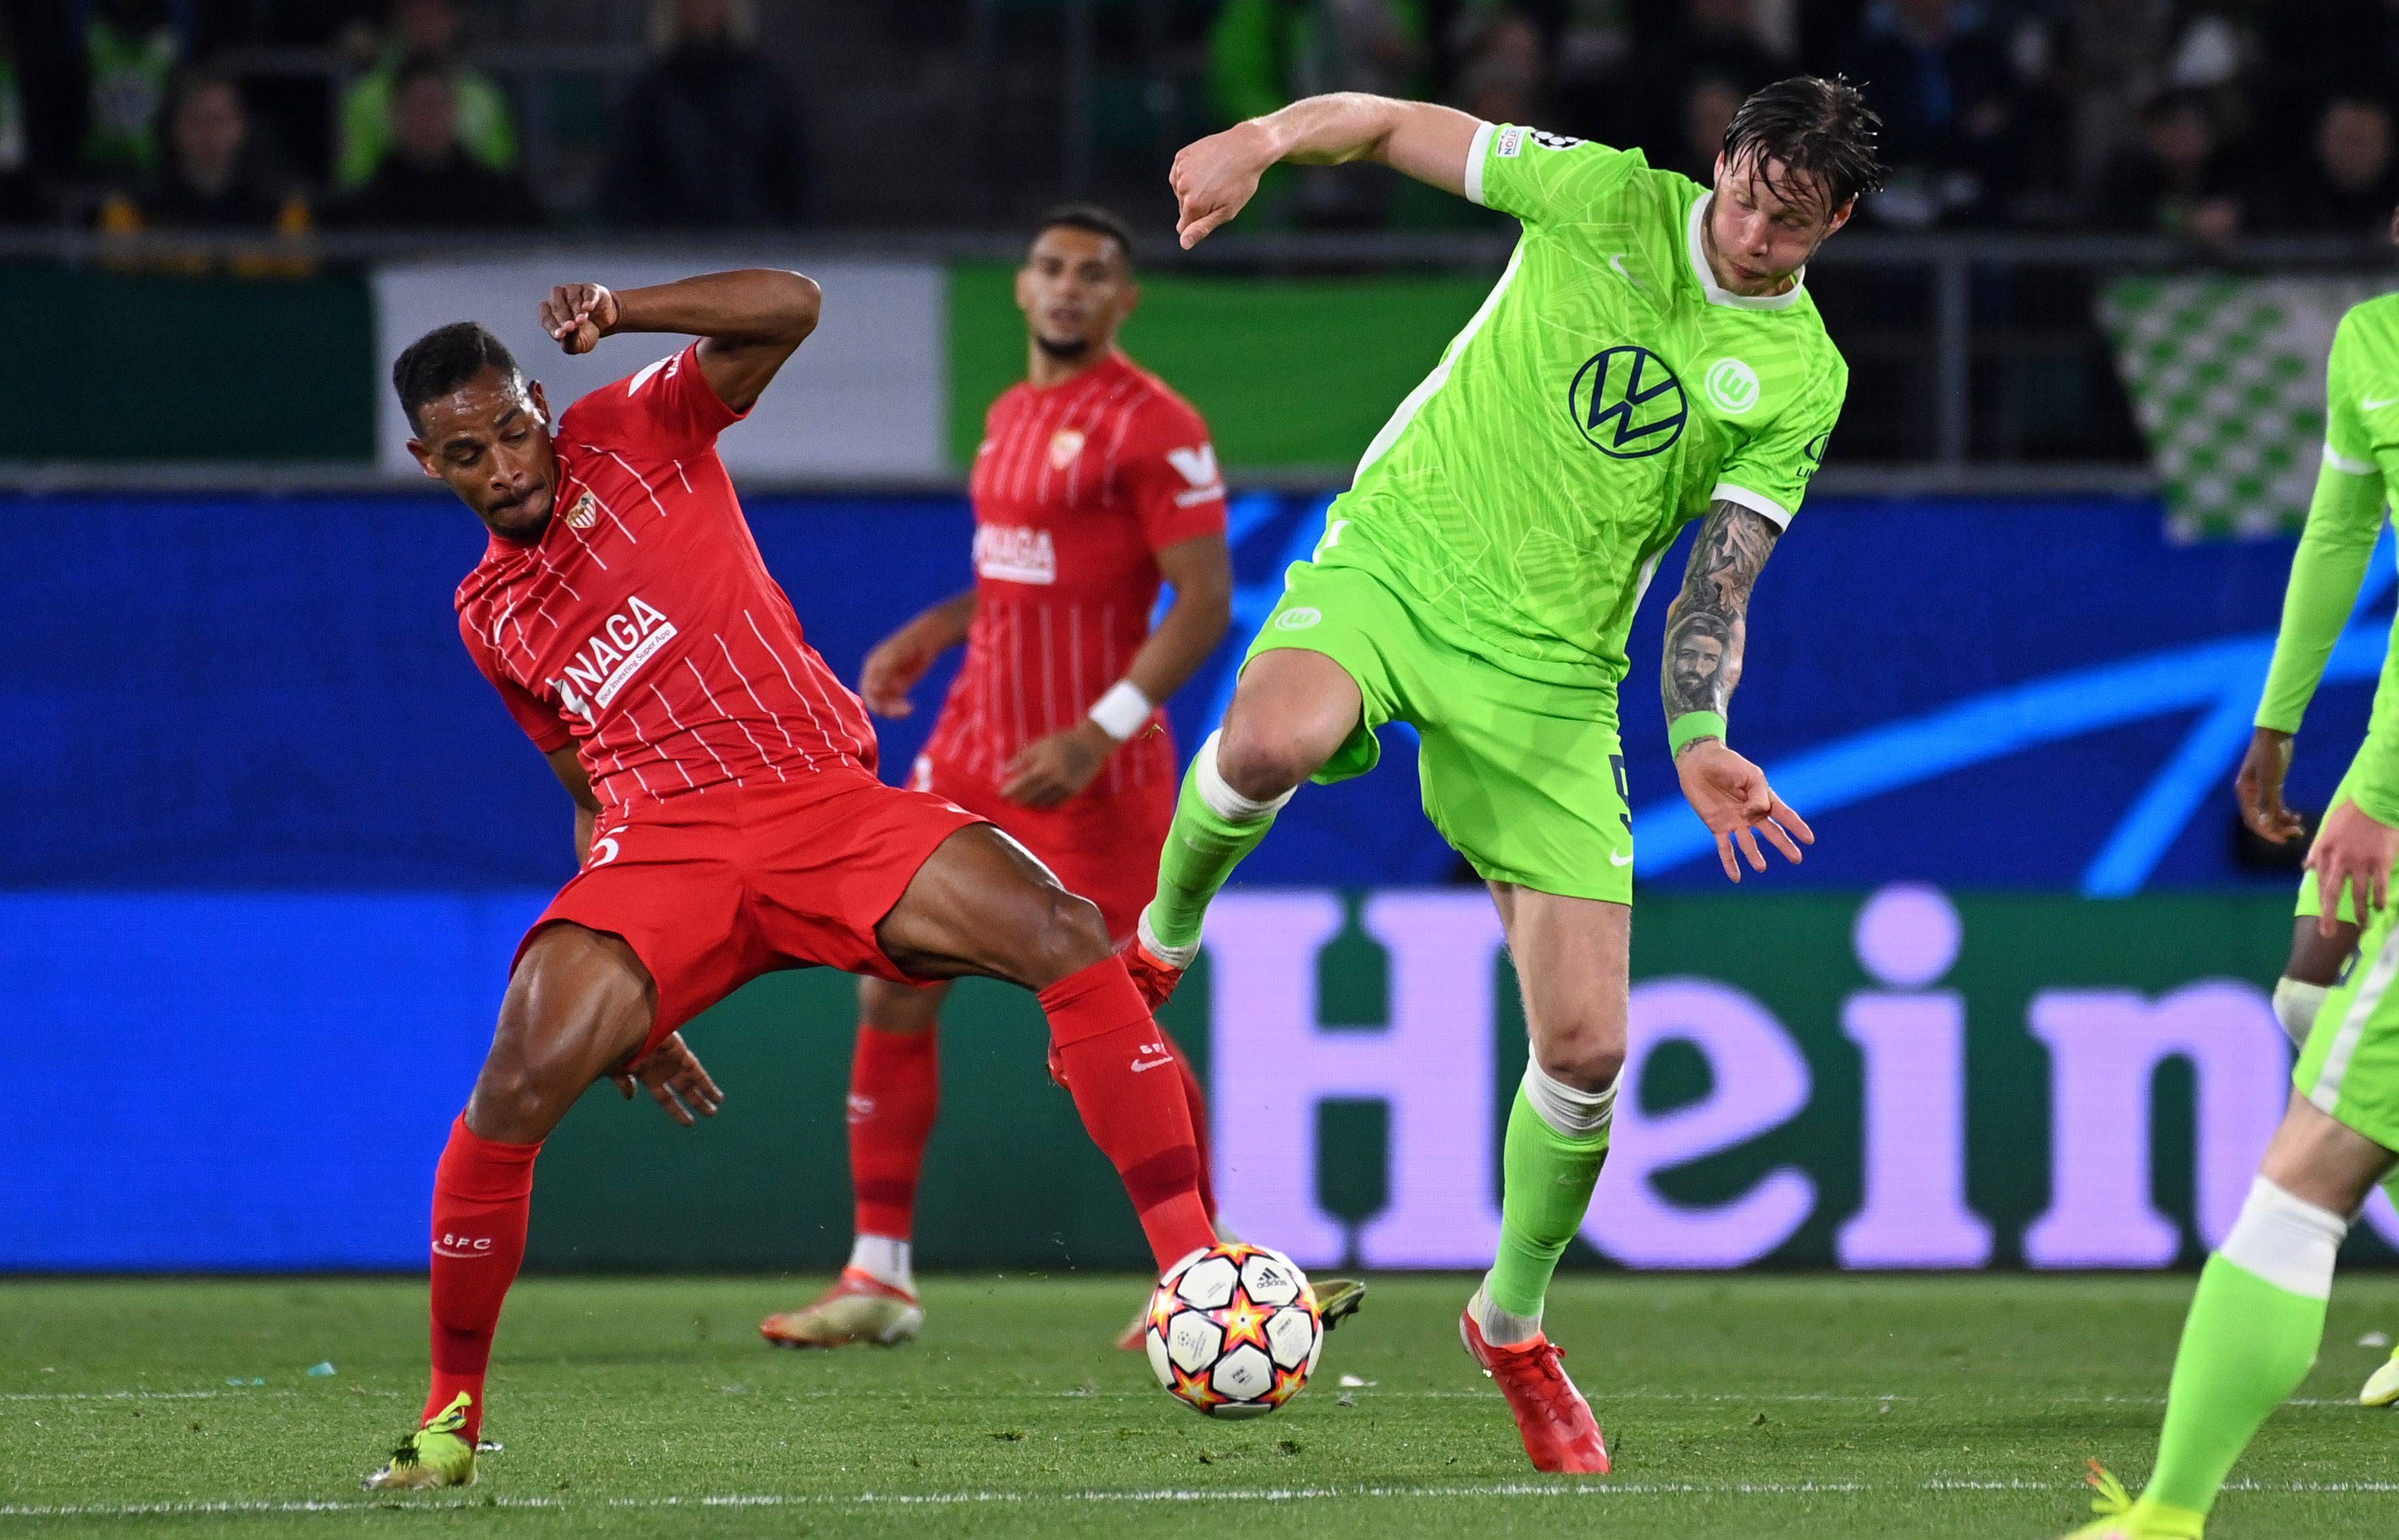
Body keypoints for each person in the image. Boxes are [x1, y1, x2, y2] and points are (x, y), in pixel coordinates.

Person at [362, 269, 1231, 1489]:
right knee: (513, 1080)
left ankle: (1200, 1274)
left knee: (1066, 927)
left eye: (513, 428)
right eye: (467, 453)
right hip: (662, 847)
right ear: (426, 460)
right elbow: (585, 793)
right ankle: (451, 1415)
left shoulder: (634, 423)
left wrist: (625, 306)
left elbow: (791, 304)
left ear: (540, 402)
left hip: (818, 801)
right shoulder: (488, 615)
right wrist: (643, 1004)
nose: (504, 465)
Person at [1141, 77, 1876, 1471]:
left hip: (1554, 678)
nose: (1751, 232)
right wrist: (1256, 141)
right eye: (1740, 193)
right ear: (1716, 160)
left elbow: (1718, 585)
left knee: (1590, 1050)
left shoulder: (1803, 379)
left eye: (1789, 222)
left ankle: (1512, 1323)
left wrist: (1702, 737)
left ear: (1836, 221)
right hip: (1403, 565)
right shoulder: (1602, 193)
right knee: (1269, 740)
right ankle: (1161, 938)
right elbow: (1377, 117)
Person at [751, 207, 1366, 1353]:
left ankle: (1205, 1261)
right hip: (974, 749)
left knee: (1110, 1006)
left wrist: (1099, 728)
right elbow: (1020, 574)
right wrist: (935, 630)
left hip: (1094, 774)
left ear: (1125, 299)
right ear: (1021, 291)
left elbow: (1200, 598)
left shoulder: (1155, 424)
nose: (1068, 287)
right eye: (1048, 268)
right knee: (891, 985)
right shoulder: (1010, 415)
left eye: (1093, 273)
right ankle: (879, 1272)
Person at [599, 0, 808, 230]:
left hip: (755, 240)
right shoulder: (654, 89)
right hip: (673, 246)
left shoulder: (764, 85)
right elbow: (625, 180)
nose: (703, 6)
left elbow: (797, 172)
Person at [96, 66, 308, 235]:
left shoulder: (279, 206)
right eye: (196, 120)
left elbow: (301, 281)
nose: (210, 133)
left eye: (221, 120)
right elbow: (118, 283)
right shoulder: (134, 206)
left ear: (243, 127)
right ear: (173, 127)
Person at [333, 55, 533, 229]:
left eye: (436, 105)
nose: (428, 118)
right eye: (418, 107)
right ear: (395, 115)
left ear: (455, 111)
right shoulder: (362, 212)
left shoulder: (505, 201)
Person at [335, 0, 517, 191]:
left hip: (468, 209)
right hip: (388, 210)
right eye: (415, 12)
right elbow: (353, 180)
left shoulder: (486, 97)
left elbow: (501, 174)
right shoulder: (363, 97)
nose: (424, 23)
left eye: (434, 12)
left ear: (454, 19)